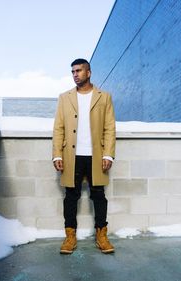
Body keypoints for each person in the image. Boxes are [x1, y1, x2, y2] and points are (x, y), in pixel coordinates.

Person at [52, 58, 116, 254]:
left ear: (89, 73)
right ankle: (70, 236)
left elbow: (110, 127)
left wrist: (109, 154)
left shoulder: (104, 97)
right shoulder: (64, 98)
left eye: (79, 70)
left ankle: (101, 235)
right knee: (71, 196)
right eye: (73, 71)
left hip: (96, 155)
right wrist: (57, 155)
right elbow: (59, 127)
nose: (75, 74)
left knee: (99, 195)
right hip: (72, 155)